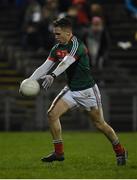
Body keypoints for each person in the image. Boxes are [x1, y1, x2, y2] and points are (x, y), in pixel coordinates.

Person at [22, 17, 127, 165]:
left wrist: (53, 75)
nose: (55, 36)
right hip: (71, 90)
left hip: (87, 91)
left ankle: (120, 151)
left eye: (58, 34)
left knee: (100, 124)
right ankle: (59, 153)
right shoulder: (57, 47)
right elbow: (44, 66)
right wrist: (29, 80)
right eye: (55, 34)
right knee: (52, 114)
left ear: (68, 33)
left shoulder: (77, 45)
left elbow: (66, 62)